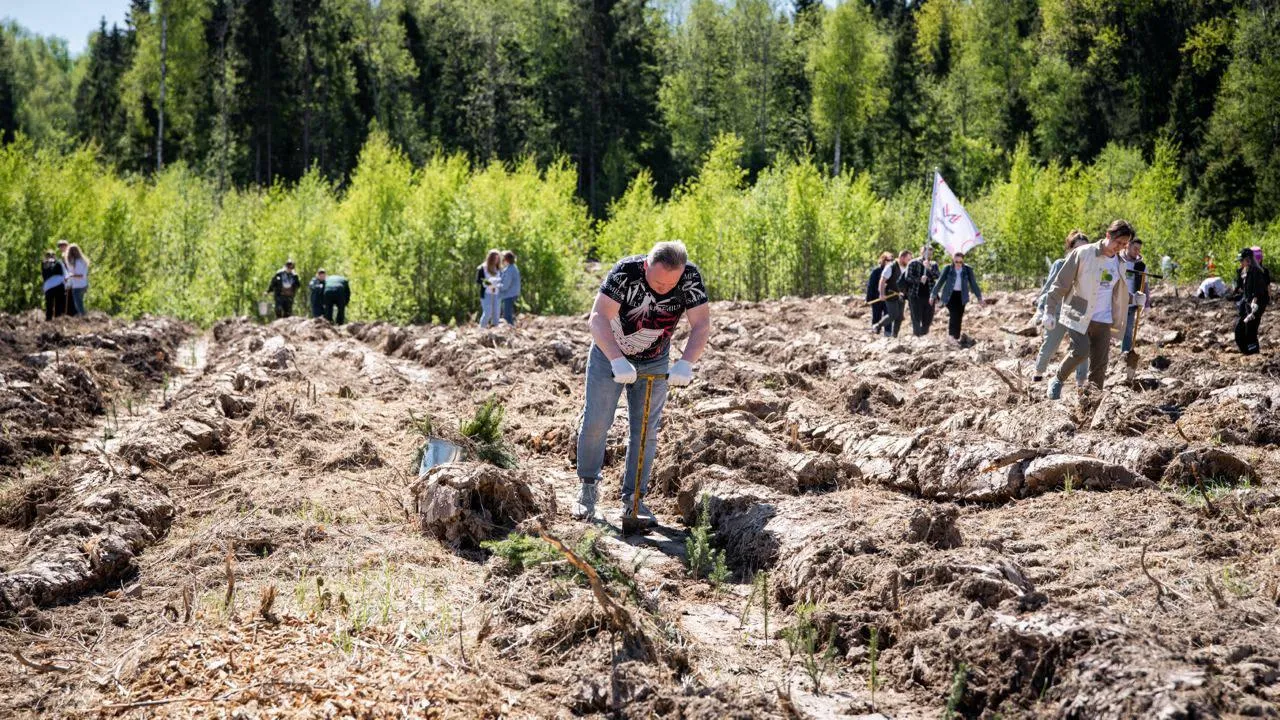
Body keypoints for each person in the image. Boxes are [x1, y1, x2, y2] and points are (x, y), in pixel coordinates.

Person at [572, 241, 711, 524]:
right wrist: (616, 359)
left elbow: (701, 324)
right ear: (646, 266)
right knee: (597, 421)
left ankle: (634, 500)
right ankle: (587, 489)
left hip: (655, 358)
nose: (663, 288)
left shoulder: (690, 278)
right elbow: (598, 318)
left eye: (670, 284)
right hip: (609, 353)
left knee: (645, 430)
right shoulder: (625, 272)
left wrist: (686, 362)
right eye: (658, 282)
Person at [1042, 220, 1145, 399]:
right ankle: (1057, 379)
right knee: (1081, 351)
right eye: (1117, 242)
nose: (1119, 247)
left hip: (1103, 319)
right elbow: (1060, 284)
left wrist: (1134, 298)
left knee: (1100, 364)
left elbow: (1117, 292)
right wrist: (1049, 310)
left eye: (1124, 244)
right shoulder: (1083, 253)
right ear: (1107, 236)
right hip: (1078, 313)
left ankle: (1091, 401)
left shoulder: (1119, 263)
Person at [1032, 230, 1090, 384]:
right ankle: (1038, 375)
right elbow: (1048, 289)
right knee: (1050, 346)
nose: (1080, 252)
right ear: (1069, 249)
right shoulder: (1059, 264)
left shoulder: (1089, 269)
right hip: (1057, 312)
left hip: (1078, 313)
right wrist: (1041, 311)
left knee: (1083, 349)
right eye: (1077, 248)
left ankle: (1081, 384)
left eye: (1084, 248)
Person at [930, 251, 983, 343]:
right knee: (954, 314)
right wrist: (933, 295)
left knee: (959, 315)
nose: (958, 264)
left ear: (963, 261)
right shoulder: (948, 268)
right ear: (953, 260)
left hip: (962, 296)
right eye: (956, 262)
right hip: (950, 295)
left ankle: (956, 336)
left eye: (960, 262)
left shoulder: (967, 269)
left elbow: (973, 284)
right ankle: (951, 336)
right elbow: (939, 282)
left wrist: (979, 298)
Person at [1233, 248, 1269, 355]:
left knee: (1251, 330)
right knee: (1240, 329)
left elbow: (1259, 290)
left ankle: (1253, 352)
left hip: (1256, 305)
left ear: (1248, 259)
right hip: (1247, 303)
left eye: (1241, 260)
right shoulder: (1244, 271)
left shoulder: (1256, 272)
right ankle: (1246, 351)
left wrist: (1254, 304)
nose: (1240, 263)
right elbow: (1240, 288)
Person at [1118, 238, 1147, 353]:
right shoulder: (1117, 260)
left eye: (1139, 250)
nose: (1137, 252)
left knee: (1128, 331)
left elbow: (1145, 284)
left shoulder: (1140, 265)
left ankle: (1124, 355)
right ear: (1128, 246)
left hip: (1131, 303)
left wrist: (1146, 303)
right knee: (1107, 329)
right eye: (1135, 248)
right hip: (1115, 301)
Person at [904, 245, 940, 336]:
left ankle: (923, 336)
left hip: (929, 296)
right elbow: (907, 277)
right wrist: (919, 280)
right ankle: (917, 337)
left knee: (928, 319)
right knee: (916, 318)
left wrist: (929, 269)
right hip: (915, 296)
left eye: (931, 252)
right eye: (927, 252)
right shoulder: (913, 263)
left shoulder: (934, 264)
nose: (929, 254)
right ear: (922, 252)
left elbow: (938, 276)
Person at [878, 250, 911, 338]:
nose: (909, 261)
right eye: (908, 259)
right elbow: (882, 280)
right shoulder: (891, 266)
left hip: (900, 295)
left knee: (899, 317)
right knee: (893, 315)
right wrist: (881, 294)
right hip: (890, 293)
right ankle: (878, 326)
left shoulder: (907, 267)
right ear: (902, 258)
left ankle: (894, 336)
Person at [865, 252, 892, 334]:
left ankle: (888, 333)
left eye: (892, 260)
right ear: (884, 260)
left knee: (888, 315)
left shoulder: (892, 271)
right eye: (889, 260)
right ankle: (875, 331)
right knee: (876, 315)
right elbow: (870, 285)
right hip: (876, 298)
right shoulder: (876, 271)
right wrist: (868, 298)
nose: (891, 262)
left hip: (888, 298)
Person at [477, 250, 503, 328]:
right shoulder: (483, 268)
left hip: (497, 294)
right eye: (494, 258)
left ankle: (495, 330)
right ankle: (481, 329)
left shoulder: (499, 269)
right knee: (488, 313)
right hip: (486, 293)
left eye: (498, 259)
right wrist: (488, 283)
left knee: (496, 314)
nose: (496, 260)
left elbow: (502, 279)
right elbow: (479, 280)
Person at [63, 244, 90, 317]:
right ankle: (82, 318)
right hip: (83, 285)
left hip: (78, 286)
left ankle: (84, 320)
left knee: (79, 306)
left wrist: (70, 275)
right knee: (78, 304)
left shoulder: (78, 262)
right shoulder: (82, 261)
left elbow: (81, 275)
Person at [41, 251, 67, 320]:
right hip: (59, 285)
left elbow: (44, 276)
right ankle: (57, 319)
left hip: (48, 287)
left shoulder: (44, 263)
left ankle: (48, 319)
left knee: (49, 305)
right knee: (59, 304)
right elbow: (65, 274)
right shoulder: (58, 262)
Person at [499, 250, 521, 326]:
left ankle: (511, 331)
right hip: (510, 294)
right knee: (508, 314)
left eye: (503, 259)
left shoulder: (510, 270)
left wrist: (496, 287)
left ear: (506, 259)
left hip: (509, 295)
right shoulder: (511, 268)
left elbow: (505, 285)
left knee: (507, 316)